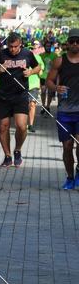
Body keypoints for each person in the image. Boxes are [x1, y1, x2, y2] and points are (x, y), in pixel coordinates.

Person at [0, 32, 41, 168]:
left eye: (15, 46)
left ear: (20, 44)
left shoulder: (27, 54)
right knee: (4, 126)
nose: (13, 49)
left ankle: (17, 150)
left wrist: (31, 72)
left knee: (22, 126)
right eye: (10, 46)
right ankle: (7, 156)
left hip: (21, 95)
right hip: (4, 96)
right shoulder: (1, 54)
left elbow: (38, 67)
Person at [46, 28, 79, 189]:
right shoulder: (60, 61)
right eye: (72, 41)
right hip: (65, 110)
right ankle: (70, 177)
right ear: (67, 43)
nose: (75, 44)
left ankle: (78, 170)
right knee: (67, 147)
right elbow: (49, 81)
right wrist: (56, 88)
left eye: (78, 41)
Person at [40, 40, 57, 115]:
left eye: (50, 46)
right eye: (47, 46)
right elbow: (39, 66)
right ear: (44, 47)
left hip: (51, 76)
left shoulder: (54, 55)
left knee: (50, 93)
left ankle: (48, 106)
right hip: (43, 76)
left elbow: (57, 66)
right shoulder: (41, 55)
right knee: (43, 91)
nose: (48, 47)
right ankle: (43, 106)